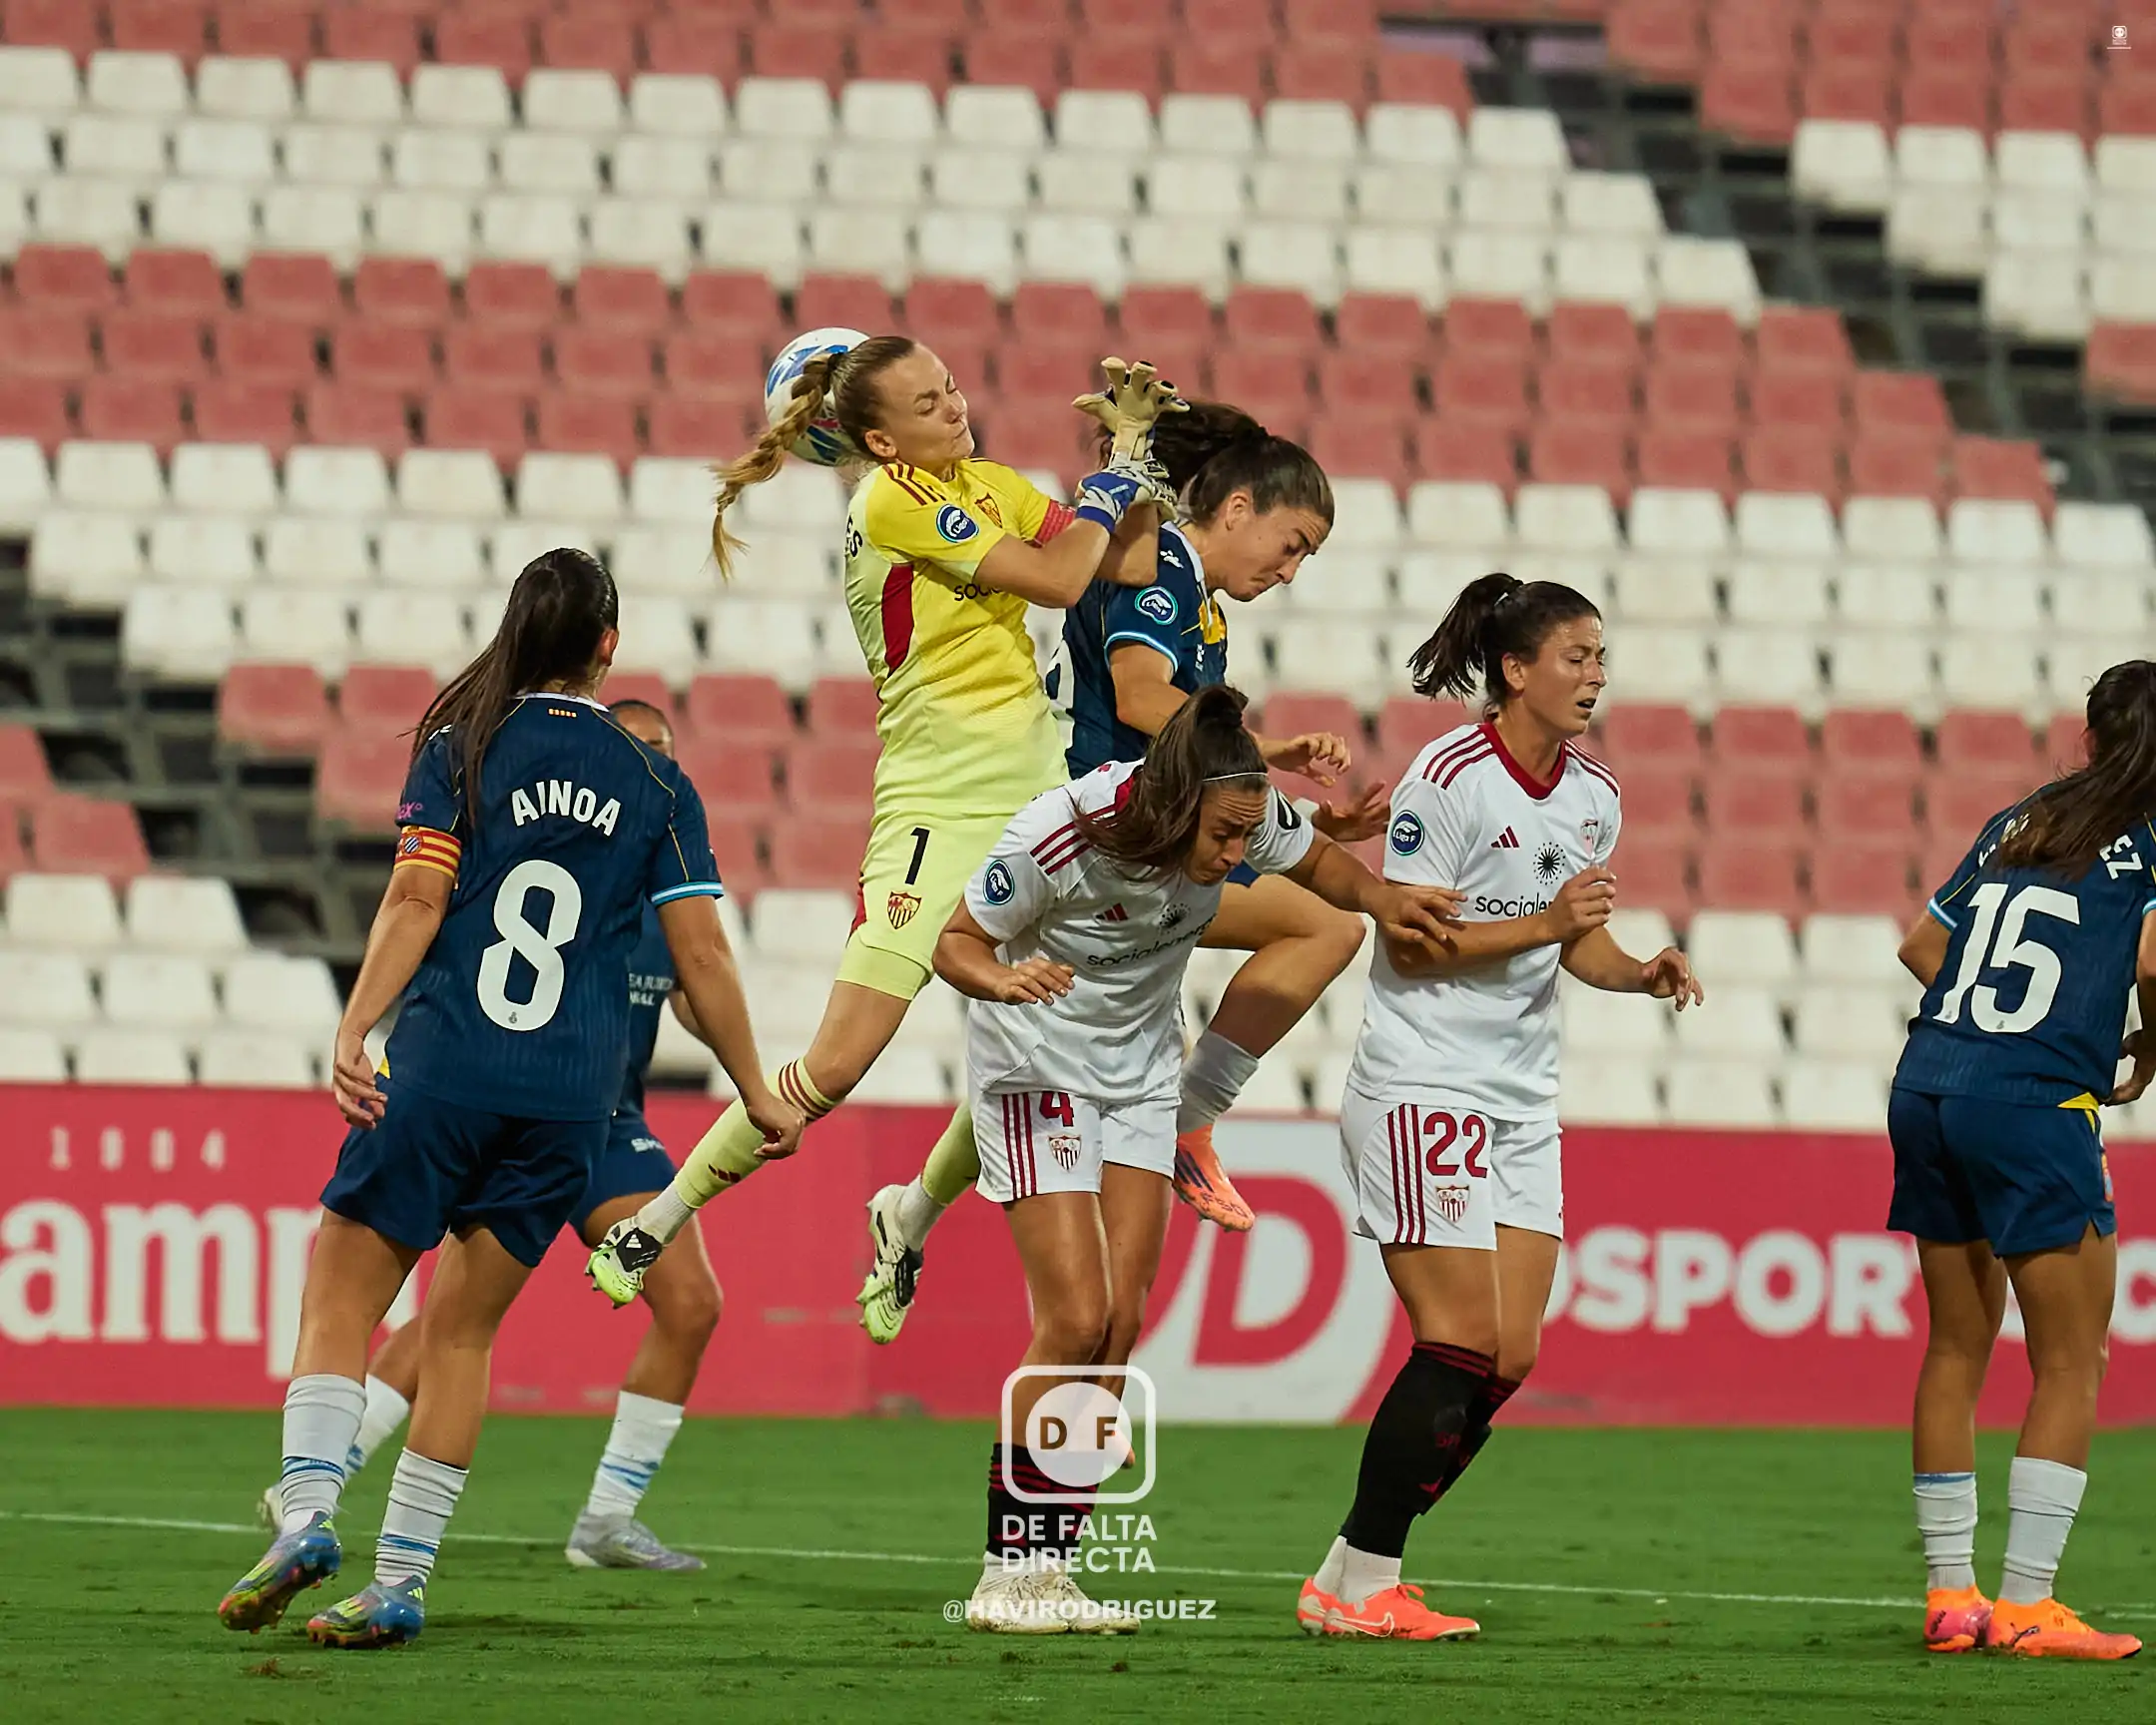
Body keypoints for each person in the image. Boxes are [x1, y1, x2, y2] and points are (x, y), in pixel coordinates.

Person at [217, 552, 801, 1648]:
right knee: (462, 1337)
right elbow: (706, 959)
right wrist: (757, 1090)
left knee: (344, 1289)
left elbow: (417, 893)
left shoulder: (463, 748)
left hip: (447, 1067)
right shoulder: (659, 785)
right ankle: (399, 1583)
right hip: (573, 1098)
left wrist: (356, 1026)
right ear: (607, 648)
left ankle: (304, 1513)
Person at [584, 338, 1176, 1308]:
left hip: (1034, 808)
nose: (954, 406)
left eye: (951, 385)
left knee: (1032, 1052)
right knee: (837, 1064)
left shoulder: (990, 482)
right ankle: (660, 1220)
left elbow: (1130, 558)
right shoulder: (891, 502)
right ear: (876, 438)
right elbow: (1064, 580)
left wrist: (1136, 458)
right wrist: (1111, 474)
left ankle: (908, 1220)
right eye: (926, 402)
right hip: (934, 816)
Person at [857, 403, 1392, 1343]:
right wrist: (1266, 764)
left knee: (1053, 1069)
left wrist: (1295, 821)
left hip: (1145, 849)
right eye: (1292, 542)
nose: (1293, 568)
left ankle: (915, 1216)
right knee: (1325, 925)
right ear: (1233, 508)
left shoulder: (1191, 593)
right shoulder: (1167, 580)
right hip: (1110, 846)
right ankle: (1189, 1119)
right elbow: (1149, 703)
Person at [934, 686, 1463, 1633]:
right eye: (1223, 839)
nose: (1234, 859)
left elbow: (1326, 873)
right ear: (1176, 801)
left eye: (1244, 838)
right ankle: (1002, 1575)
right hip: (1033, 1067)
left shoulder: (1241, 808)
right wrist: (1007, 978)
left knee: (1123, 1325)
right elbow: (955, 943)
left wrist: (1388, 899)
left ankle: (1051, 1572)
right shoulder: (1064, 833)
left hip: (1139, 1076)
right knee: (1076, 1315)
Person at [1299, 573, 1702, 1641]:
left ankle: (1347, 1567)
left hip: (1522, 1098)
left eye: (1602, 659)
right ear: (1516, 669)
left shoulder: (1595, 795)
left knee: (1511, 1355)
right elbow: (1410, 938)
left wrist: (1638, 970)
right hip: (1426, 1079)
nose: (1595, 678)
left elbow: (1579, 942)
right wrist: (1548, 923)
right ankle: (1365, 1583)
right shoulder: (1450, 778)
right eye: (1576, 658)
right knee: (1461, 1340)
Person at [253, 699, 728, 1573]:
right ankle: (328, 1484)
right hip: (534, 1104)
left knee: (690, 1302)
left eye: (666, 750)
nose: (657, 763)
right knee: (449, 1323)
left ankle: (605, 1520)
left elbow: (694, 995)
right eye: (644, 748)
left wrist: (744, 1055)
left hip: (604, 1126)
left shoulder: (656, 902)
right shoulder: (567, 861)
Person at [1888, 660, 2156, 1662]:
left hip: (1928, 1083)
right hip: (2035, 1104)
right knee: (2071, 1358)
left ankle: (1949, 1598)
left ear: (2090, 735)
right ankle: (2032, 1605)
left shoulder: (2026, 819)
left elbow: (1923, 946)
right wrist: (2146, 1052)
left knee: (1956, 1346)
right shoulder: (2154, 842)